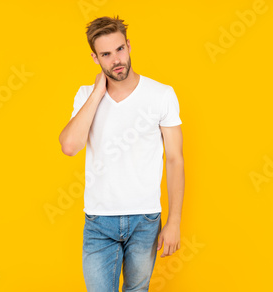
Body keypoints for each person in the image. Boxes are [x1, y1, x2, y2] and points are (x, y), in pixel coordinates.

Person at [59, 15, 185, 292]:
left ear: (128, 46)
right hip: (98, 221)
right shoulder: (85, 96)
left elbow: (175, 159)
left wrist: (174, 222)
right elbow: (70, 146)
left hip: (145, 220)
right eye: (106, 54)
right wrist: (96, 94)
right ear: (95, 58)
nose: (116, 60)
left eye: (119, 49)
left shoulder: (161, 95)